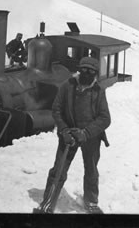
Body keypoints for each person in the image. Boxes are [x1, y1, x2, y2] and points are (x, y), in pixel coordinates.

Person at [36, 57, 111, 214]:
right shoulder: (67, 86)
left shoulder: (98, 91)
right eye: (84, 69)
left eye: (91, 71)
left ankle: (90, 202)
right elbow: (56, 110)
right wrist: (64, 130)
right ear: (79, 69)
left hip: (90, 137)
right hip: (69, 134)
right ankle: (47, 203)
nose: (86, 73)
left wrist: (86, 133)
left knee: (91, 170)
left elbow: (105, 118)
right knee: (59, 170)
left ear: (95, 73)